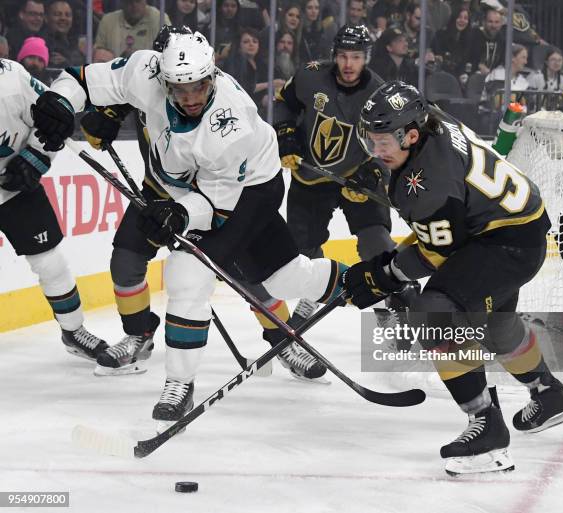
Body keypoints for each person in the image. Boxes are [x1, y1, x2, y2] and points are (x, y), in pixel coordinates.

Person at [31, 29, 348, 428]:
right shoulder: (144, 72)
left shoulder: (229, 128)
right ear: (162, 80)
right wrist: (58, 103)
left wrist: (178, 215)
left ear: (212, 76)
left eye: (199, 87)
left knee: (283, 278)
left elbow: (216, 207)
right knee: (185, 277)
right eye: (180, 89)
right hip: (179, 190)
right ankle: (179, 384)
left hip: (249, 193)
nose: (191, 98)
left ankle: (364, 283)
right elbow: (81, 79)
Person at [343, 80, 563, 475]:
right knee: (498, 322)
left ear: (410, 134)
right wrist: (382, 174)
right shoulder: (433, 121)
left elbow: (434, 254)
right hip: (512, 228)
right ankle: (551, 395)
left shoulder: (429, 183)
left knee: (434, 312)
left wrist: (383, 275)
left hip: (503, 243)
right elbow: (440, 215)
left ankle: (487, 431)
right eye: (369, 139)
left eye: (382, 142)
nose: (375, 149)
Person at [273, 24, 401, 332]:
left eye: (356, 57)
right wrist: (286, 135)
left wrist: (374, 172)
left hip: (355, 177)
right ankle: (314, 289)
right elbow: (283, 103)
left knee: (378, 243)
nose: (348, 64)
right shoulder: (310, 76)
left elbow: (388, 141)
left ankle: (395, 308)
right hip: (310, 176)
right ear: (334, 56)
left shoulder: (378, 92)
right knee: (302, 251)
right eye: (343, 56)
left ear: (366, 58)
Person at [0, 58, 107, 363]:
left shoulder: (11, 79)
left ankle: (73, 331)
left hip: (14, 186)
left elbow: (54, 116)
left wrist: (36, 156)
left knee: (50, 263)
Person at [94, 0, 171, 58]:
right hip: (115, 75)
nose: (134, 5)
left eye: (138, 1)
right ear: (121, 3)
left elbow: (170, 53)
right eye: (129, 1)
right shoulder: (108, 21)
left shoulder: (160, 19)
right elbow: (98, 57)